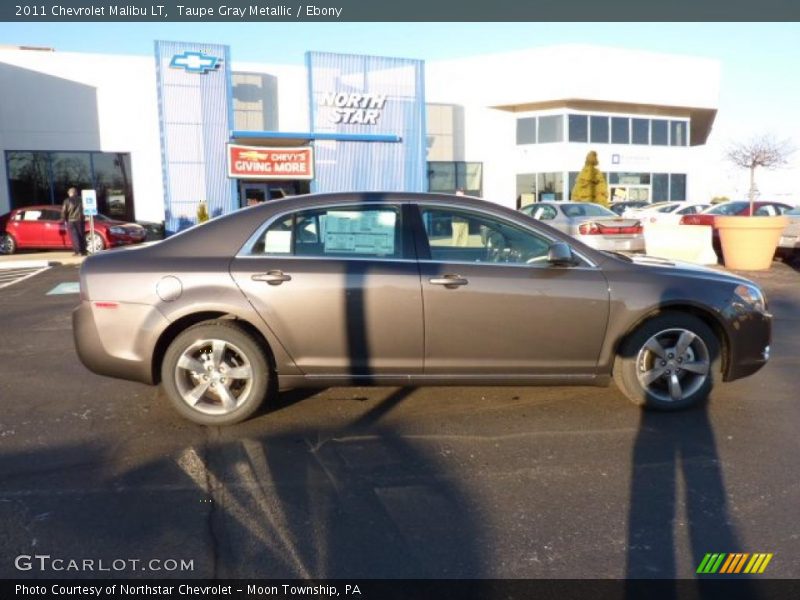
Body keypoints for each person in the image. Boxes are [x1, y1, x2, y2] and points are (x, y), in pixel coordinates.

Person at [61, 187, 86, 256]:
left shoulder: (67, 201)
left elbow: (64, 211)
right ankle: (83, 250)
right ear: (76, 193)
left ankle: (78, 251)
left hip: (71, 220)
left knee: (74, 236)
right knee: (81, 235)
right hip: (80, 220)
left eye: (69, 193)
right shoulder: (81, 200)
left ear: (70, 193)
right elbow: (85, 209)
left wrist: (63, 219)